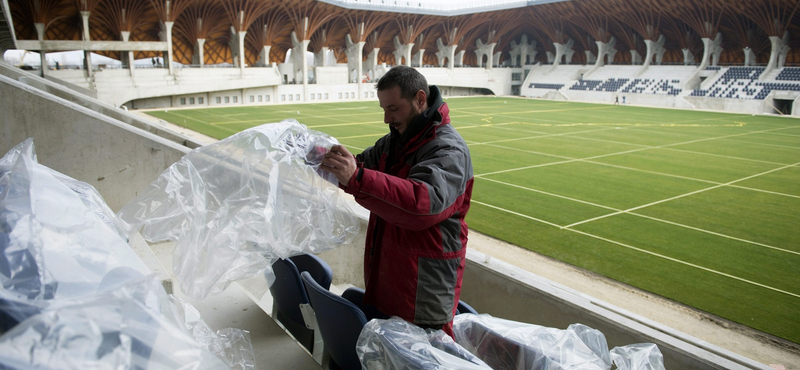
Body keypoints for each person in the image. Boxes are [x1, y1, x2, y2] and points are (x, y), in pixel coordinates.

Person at [320, 66, 473, 337]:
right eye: (383, 109)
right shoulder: (394, 141)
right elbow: (358, 166)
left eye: (393, 109)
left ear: (420, 99)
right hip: (388, 283)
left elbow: (420, 206)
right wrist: (319, 157)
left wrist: (355, 176)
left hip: (424, 295)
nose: (386, 118)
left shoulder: (449, 149)